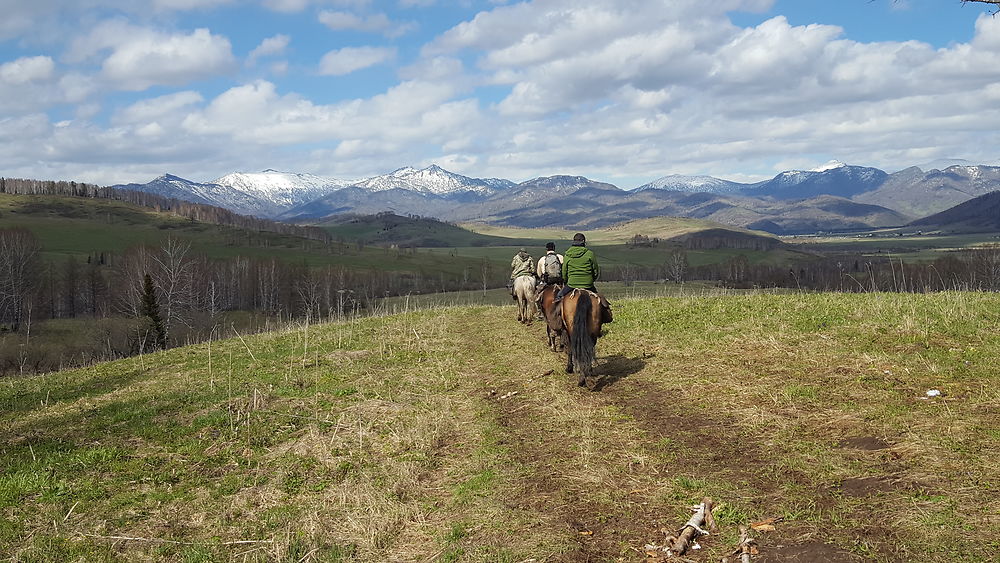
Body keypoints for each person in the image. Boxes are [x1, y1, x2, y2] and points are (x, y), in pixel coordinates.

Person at [555, 233, 599, 301]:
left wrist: (566, 281)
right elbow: (596, 271)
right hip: (587, 284)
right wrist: (591, 279)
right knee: (600, 300)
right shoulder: (590, 254)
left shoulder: (567, 255)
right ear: (584, 241)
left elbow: (564, 272)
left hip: (572, 284)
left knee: (559, 297)